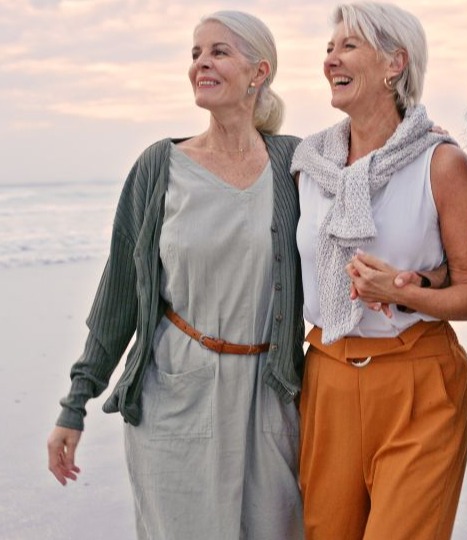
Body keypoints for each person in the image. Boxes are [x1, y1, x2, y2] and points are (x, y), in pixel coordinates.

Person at [46, 11, 305, 539]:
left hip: (269, 398)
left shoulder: (295, 162)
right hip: (175, 397)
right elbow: (119, 295)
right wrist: (75, 403)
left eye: (218, 51)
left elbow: (366, 189)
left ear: (259, 72)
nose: (201, 63)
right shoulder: (158, 167)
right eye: (195, 53)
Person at [290, 3, 467, 539]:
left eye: (348, 46)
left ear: (394, 62)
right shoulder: (309, 165)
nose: (331, 59)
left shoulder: (440, 163)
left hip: (418, 382)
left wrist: (402, 292)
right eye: (330, 48)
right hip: (325, 376)